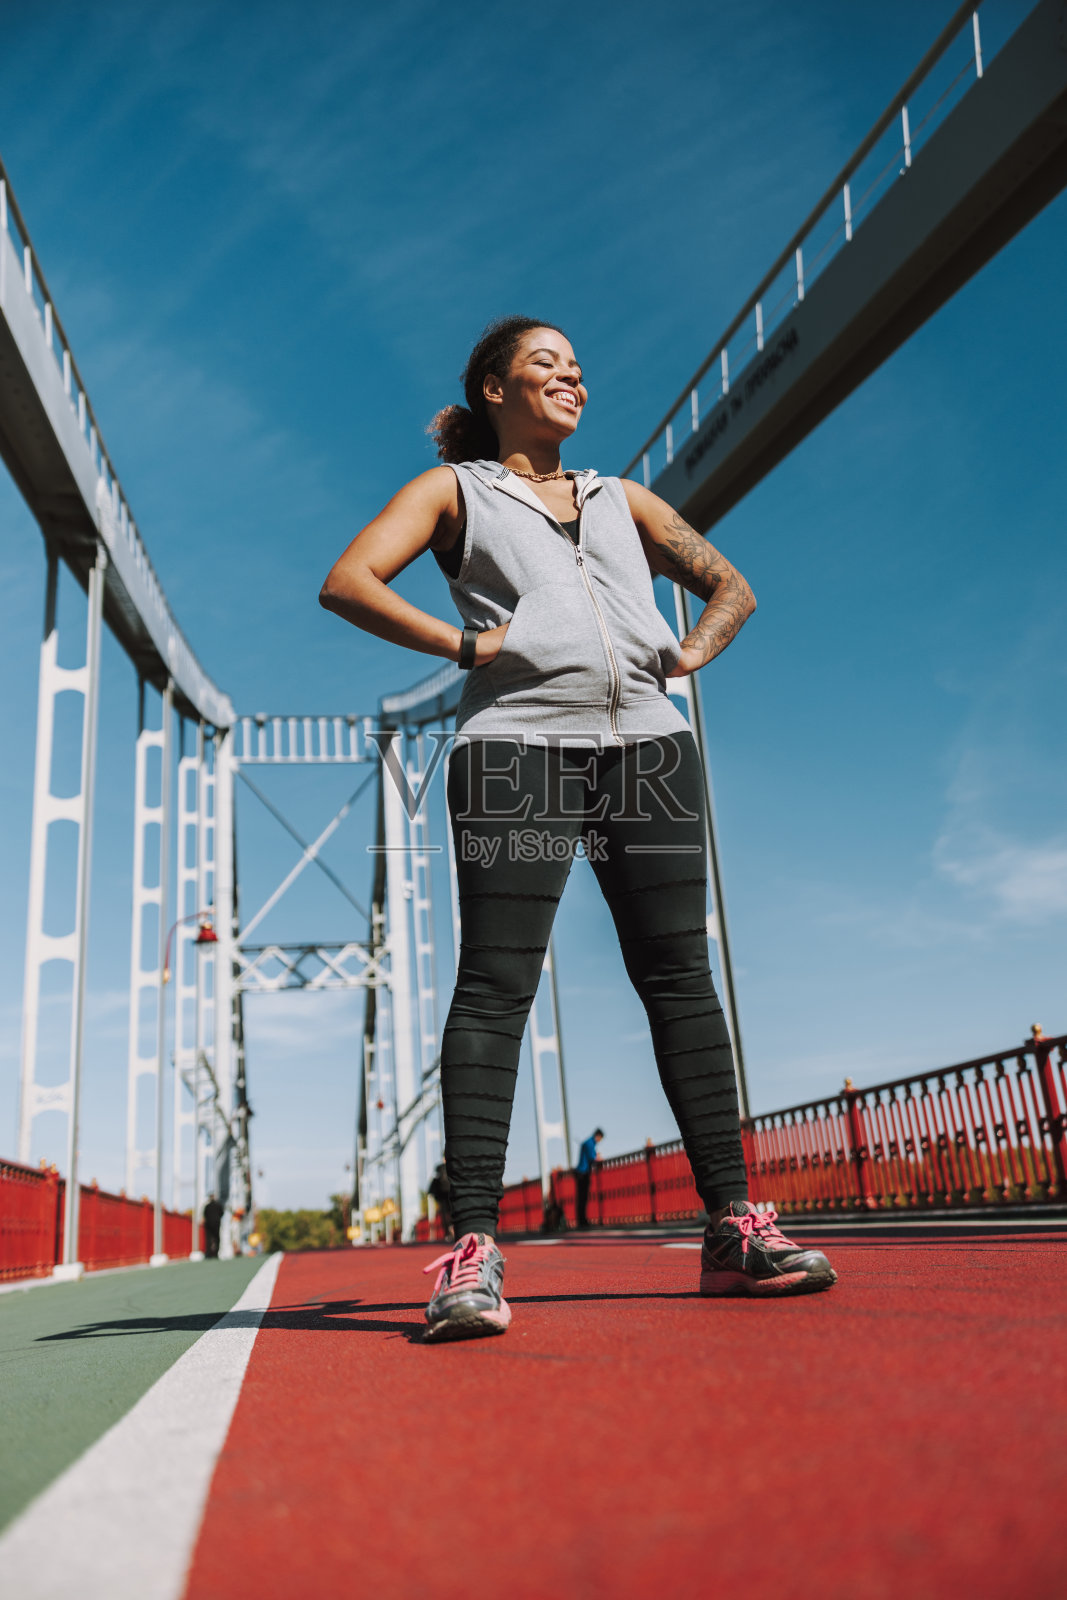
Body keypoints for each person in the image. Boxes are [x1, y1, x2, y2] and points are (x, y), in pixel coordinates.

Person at [320, 316, 837, 1341]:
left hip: (647, 748)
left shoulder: (623, 498)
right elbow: (348, 582)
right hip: (514, 752)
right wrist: (464, 644)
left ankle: (734, 1228)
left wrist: (687, 654)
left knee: (677, 973)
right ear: (493, 387)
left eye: (578, 368)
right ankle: (470, 1249)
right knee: (496, 983)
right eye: (545, 364)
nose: (572, 379)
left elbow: (731, 586)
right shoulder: (453, 493)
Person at [574, 1128, 604, 1229]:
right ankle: (582, 1221)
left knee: (582, 1198)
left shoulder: (587, 1143)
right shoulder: (590, 1143)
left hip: (581, 1172)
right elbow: (592, 1157)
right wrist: (597, 1157)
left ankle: (581, 1220)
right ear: (598, 1136)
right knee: (583, 1198)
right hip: (583, 1173)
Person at [427, 1161, 452, 1240]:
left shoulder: (439, 1167)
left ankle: (447, 1233)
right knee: (453, 1213)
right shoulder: (452, 1165)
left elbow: (435, 1180)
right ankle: (453, 1229)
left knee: (444, 1215)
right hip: (451, 1193)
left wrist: (433, 1193)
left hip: (441, 1195)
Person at [203, 1194, 223, 1260]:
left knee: (208, 1239)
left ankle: (208, 1253)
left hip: (209, 1225)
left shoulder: (207, 1206)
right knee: (217, 1238)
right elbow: (221, 1213)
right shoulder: (218, 1205)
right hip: (217, 1224)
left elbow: (205, 1214)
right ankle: (216, 1253)